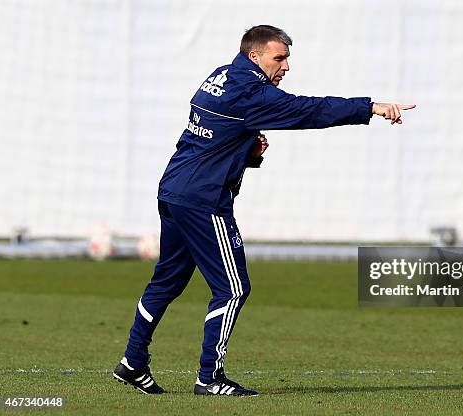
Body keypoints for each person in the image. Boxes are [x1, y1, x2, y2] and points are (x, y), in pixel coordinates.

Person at [112, 24, 415, 396]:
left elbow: (212, 136)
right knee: (233, 289)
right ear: (255, 56)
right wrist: (371, 107)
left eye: (287, 58)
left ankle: (132, 362)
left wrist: (248, 153)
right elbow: (310, 110)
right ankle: (210, 378)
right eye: (280, 57)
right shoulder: (249, 94)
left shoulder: (221, 76)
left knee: (167, 282)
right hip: (203, 200)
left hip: (175, 188)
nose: (286, 66)